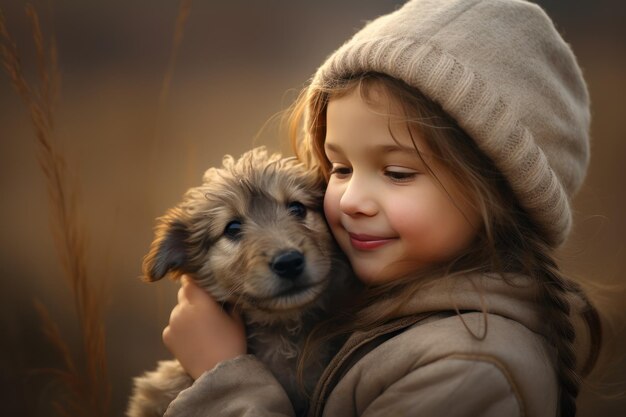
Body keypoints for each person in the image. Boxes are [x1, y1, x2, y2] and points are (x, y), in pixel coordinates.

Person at [160, 1, 603, 416]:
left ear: (498, 194)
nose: (351, 200)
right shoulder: (372, 310)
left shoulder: (471, 365)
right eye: (340, 168)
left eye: (397, 173)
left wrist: (225, 378)